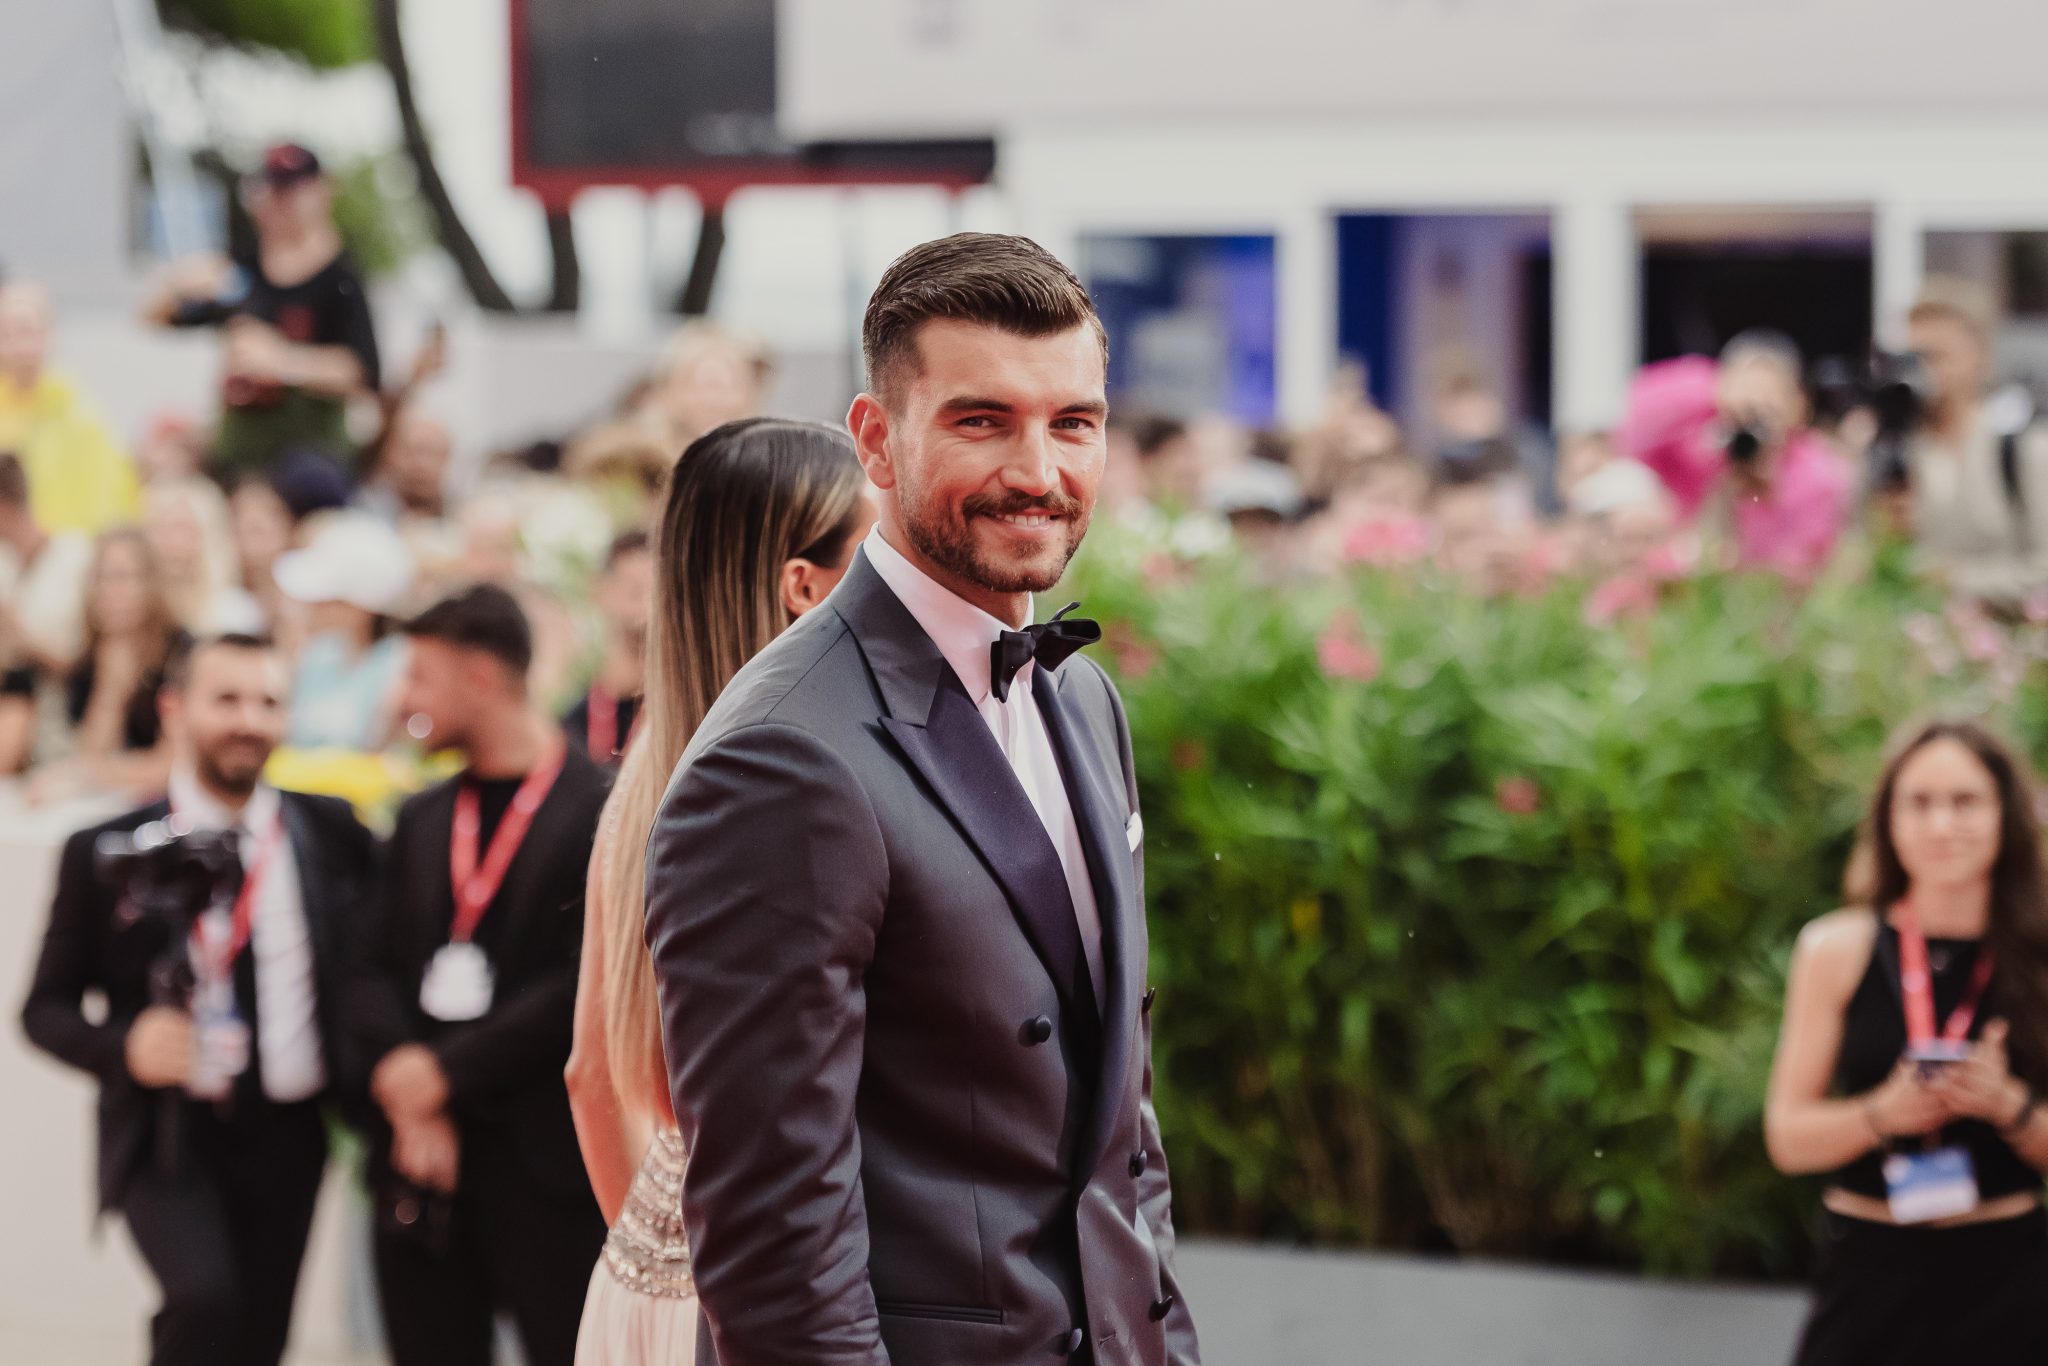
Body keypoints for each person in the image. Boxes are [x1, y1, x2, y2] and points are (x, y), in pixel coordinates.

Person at [645, 233, 1200, 1365]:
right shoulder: (780, 757)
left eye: (1072, 423)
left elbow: (1118, 1131)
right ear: (874, 441)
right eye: (979, 420)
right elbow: (775, 1237)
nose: (1038, 470)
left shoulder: (1082, 699)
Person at [565, 418, 872, 1364]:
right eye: (877, 555)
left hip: (644, 1277)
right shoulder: (809, 790)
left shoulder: (645, 784)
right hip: (764, 1303)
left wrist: (661, 1245)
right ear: (803, 588)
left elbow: (592, 1075)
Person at [19, 633, 377, 1366]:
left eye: (268, 701)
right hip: (167, 1137)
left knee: (259, 1335)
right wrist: (124, 1046)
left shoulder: (332, 831)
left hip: (292, 1131)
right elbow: (42, 1009)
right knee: (203, 1302)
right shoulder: (104, 848)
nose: (249, 719)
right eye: (227, 699)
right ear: (175, 709)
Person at [343, 583, 609, 1366]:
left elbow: (582, 988)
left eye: (420, 677)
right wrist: (407, 1084)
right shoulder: (422, 816)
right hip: (420, 1164)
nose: (404, 700)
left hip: (547, 1173)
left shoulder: (602, 809)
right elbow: (361, 966)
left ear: (482, 681)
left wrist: (443, 1075)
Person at [1766, 720, 2048, 1365]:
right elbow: (1787, 1137)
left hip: (2007, 1280)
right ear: (1888, 819)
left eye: (1965, 801)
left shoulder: (2038, 955)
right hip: (1869, 1270)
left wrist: (2008, 1106)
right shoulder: (1836, 948)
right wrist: (1880, 1115)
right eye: (1919, 802)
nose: (1942, 825)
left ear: (2005, 814)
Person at [146, 143, 380, 478]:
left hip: (308, 461)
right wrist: (178, 284)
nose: (281, 202)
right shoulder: (242, 268)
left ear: (322, 191)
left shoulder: (341, 279)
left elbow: (360, 371)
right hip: (237, 453)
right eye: (274, 189)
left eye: (292, 189)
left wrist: (281, 362)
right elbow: (153, 319)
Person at [1619, 331, 1852, 579]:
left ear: (1798, 405)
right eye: (1743, 402)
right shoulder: (1701, 450)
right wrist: (1714, 387)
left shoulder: (1817, 473)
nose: (1752, 417)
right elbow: (1633, 423)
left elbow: (1805, 565)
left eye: (1768, 403)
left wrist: (1765, 490)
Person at [1901, 278, 2048, 610]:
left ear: (1979, 357)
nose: (1920, 373)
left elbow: (2043, 570)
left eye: (1936, 357)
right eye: (1911, 359)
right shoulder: (1898, 449)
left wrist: (1948, 579)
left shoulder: (2021, 447)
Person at [10, 528, 187, 794]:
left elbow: (172, 766)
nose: (107, 591)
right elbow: (92, 753)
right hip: (117, 802)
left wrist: (80, 774)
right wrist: (112, 688)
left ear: (152, 583)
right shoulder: (93, 658)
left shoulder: (182, 653)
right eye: (99, 578)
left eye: (121, 577)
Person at [0, 281, 143, 536]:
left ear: (49, 334)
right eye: (8, 333)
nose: (20, 346)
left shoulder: (82, 414)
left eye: (28, 331)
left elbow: (112, 498)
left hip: (68, 553)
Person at [272, 512, 415, 751]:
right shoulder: (316, 655)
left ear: (361, 607)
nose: (314, 606)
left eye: (329, 599)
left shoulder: (401, 662)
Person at [561, 532, 652, 768]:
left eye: (657, 589)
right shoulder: (572, 726)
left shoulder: (684, 715)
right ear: (600, 590)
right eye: (635, 589)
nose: (647, 604)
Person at [146, 478, 265, 635]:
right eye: (163, 530)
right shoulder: (132, 614)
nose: (173, 543)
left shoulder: (234, 612)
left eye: (184, 529)